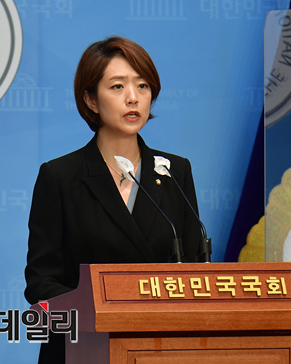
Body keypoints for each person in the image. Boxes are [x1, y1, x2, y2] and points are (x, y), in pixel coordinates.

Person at [24, 36, 203, 363]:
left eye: (143, 86)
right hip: (84, 349)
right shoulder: (60, 177)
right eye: (117, 87)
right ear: (91, 100)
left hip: (161, 349)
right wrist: (105, 311)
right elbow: (41, 283)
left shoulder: (174, 171)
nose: (133, 97)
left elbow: (193, 270)